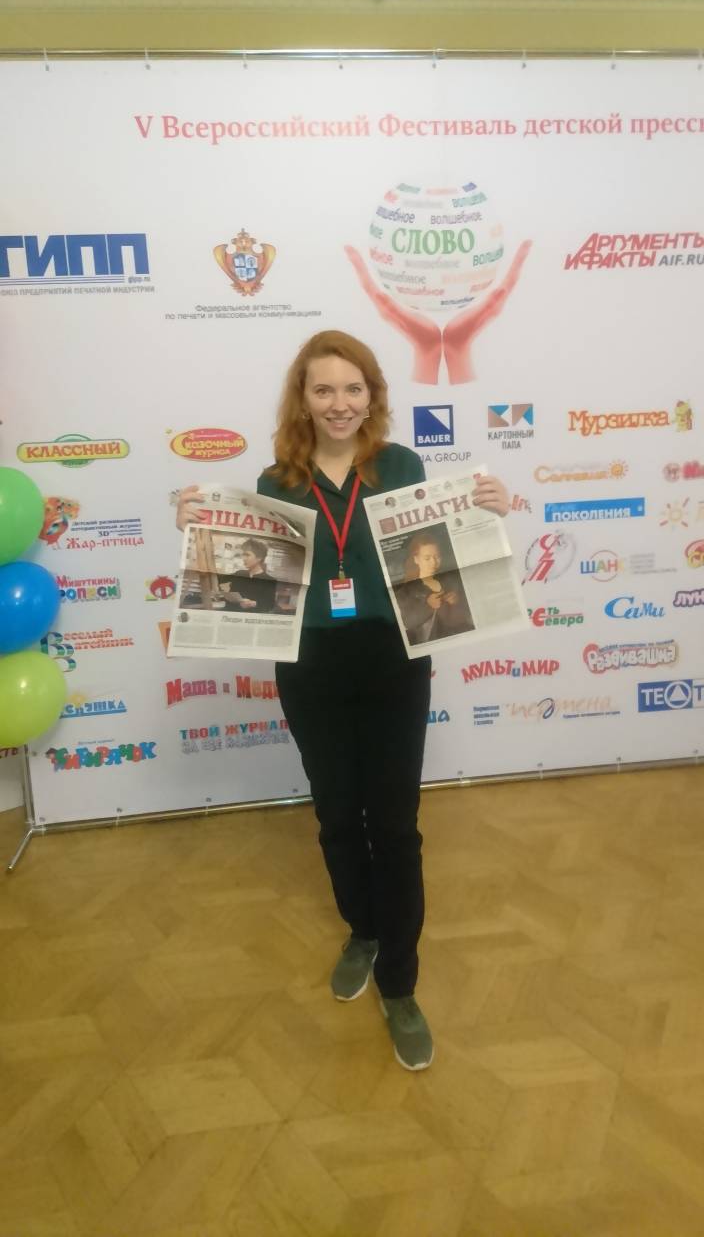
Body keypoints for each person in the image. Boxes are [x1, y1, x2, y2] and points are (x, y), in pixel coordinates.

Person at [176, 329, 509, 1071]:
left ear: (372, 396)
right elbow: (253, 584)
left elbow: (440, 558)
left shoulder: (403, 466)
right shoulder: (275, 483)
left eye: (353, 388)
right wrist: (198, 538)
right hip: (312, 664)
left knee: (394, 824)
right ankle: (362, 929)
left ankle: (401, 984)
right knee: (335, 814)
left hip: (393, 660)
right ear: (303, 398)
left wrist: (492, 509)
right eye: (323, 389)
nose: (339, 403)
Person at [394, 534, 474, 646]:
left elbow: (466, 616)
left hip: (462, 639)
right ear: (416, 559)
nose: (433, 562)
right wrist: (428, 606)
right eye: (427, 558)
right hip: (432, 645)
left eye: (437, 557)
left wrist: (457, 602)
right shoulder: (404, 592)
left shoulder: (452, 581)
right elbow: (408, 622)